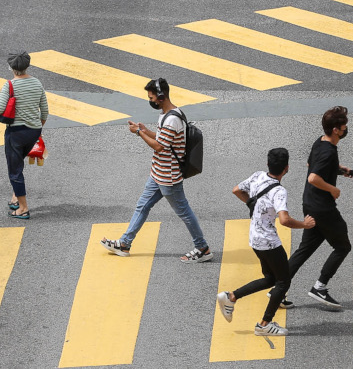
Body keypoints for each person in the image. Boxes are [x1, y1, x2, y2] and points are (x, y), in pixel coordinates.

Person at [101, 78, 213, 263]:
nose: (150, 100)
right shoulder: (168, 114)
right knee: (142, 206)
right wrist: (146, 130)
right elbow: (162, 138)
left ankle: (203, 248)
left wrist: (139, 133)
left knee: (184, 212)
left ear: (160, 97)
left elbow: (160, 146)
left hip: (168, 177)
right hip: (157, 174)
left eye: (151, 97)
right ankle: (124, 243)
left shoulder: (172, 120)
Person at [216, 148, 316, 337]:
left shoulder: (257, 176)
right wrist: (305, 224)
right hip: (269, 242)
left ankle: (231, 297)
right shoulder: (279, 191)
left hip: (254, 238)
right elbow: (285, 220)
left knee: (271, 279)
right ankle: (264, 324)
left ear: (268, 165)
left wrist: (251, 204)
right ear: (286, 168)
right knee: (283, 281)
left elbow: (236, 190)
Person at [286, 106, 353, 309]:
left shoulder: (320, 142)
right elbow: (314, 177)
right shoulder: (328, 151)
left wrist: (342, 171)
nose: (346, 129)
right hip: (323, 207)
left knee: (305, 249)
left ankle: (278, 288)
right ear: (336, 129)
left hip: (309, 202)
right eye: (344, 126)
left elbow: (313, 165)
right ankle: (320, 286)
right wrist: (332, 189)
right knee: (343, 246)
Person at [0, 52, 48, 220]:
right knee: (18, 164)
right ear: (27, 66)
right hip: (33, 131)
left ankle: (23, 208)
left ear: (11, 67)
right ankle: (16, 196)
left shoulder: (10, 85)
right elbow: (44, 111)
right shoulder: (37, 83)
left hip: (15, 133)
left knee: (15, 170)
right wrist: (36, 128)